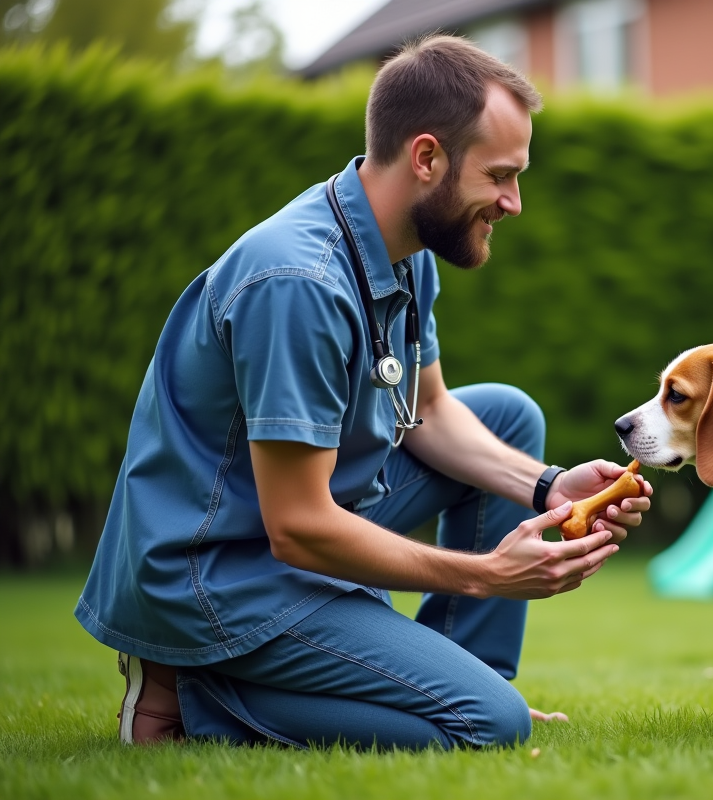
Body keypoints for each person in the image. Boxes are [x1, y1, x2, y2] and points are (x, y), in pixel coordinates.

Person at [73, 34, 652, 751]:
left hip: (283, 537)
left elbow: (431, 412)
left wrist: (550, 486)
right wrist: (486, 576)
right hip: (216, 574)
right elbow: (299, 526)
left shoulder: (404, 254)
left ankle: (466, 682)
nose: (514, 202)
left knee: (506, 415)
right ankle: (192, 693)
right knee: (486, 726)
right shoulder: (298, 284)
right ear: (427, 158)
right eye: (500, 176)